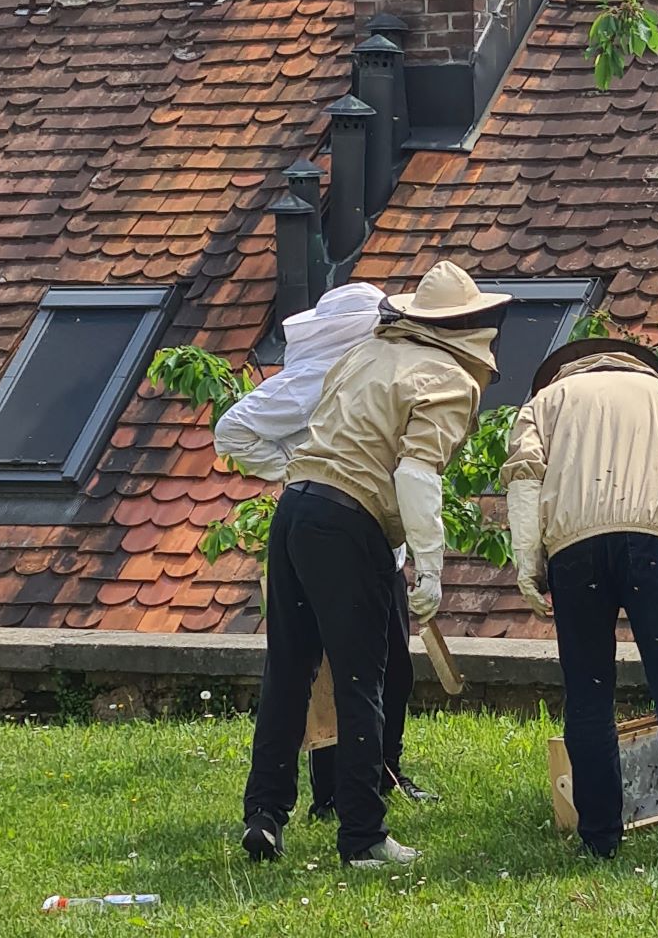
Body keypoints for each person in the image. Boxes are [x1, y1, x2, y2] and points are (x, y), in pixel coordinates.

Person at [240, 262, 509, 868]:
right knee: (363, 679)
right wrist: (431, 568)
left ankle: (264, 815)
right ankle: (362, 837)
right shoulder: (446, 377)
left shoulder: (366, 354)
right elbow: (416, 475)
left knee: (288, 671)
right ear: (467, 329)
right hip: (347, 524)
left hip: (295, 510)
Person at [213, 281, 438, 820]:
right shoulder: (316, 375)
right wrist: (295, 469)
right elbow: (233, 429)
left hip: (372, 537)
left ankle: (375, 775)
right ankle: (336, 798)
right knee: (336, 675)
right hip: (334, 532)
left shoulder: (377, 372)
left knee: (383, 669)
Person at [502, 336, 658, 862]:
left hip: (574, 549)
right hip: (655, 544)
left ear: (562, 371)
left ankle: (600, 840)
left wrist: (527, 563)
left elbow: (523, 481)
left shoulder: (544, 404)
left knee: (588, 694)